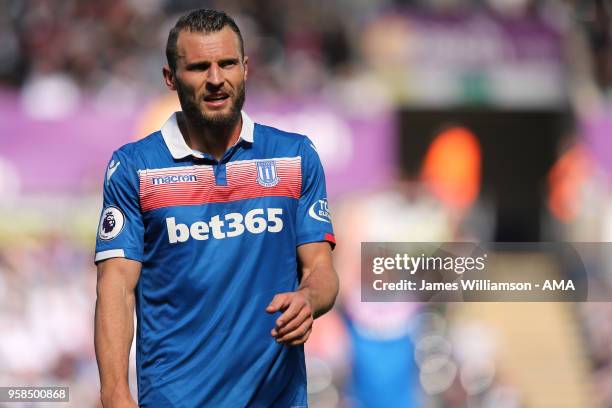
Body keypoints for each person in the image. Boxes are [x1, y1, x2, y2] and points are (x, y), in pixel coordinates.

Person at [93, 9, 338, 408]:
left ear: (246, 68)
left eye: (227, 63)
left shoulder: (295, 156)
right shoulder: (135, 167)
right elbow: (115, 288)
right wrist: (115, 394)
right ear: (170, 78)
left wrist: (309, 298)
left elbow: (322, 270)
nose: (215, 79)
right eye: (198, 67)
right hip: (174, 399)